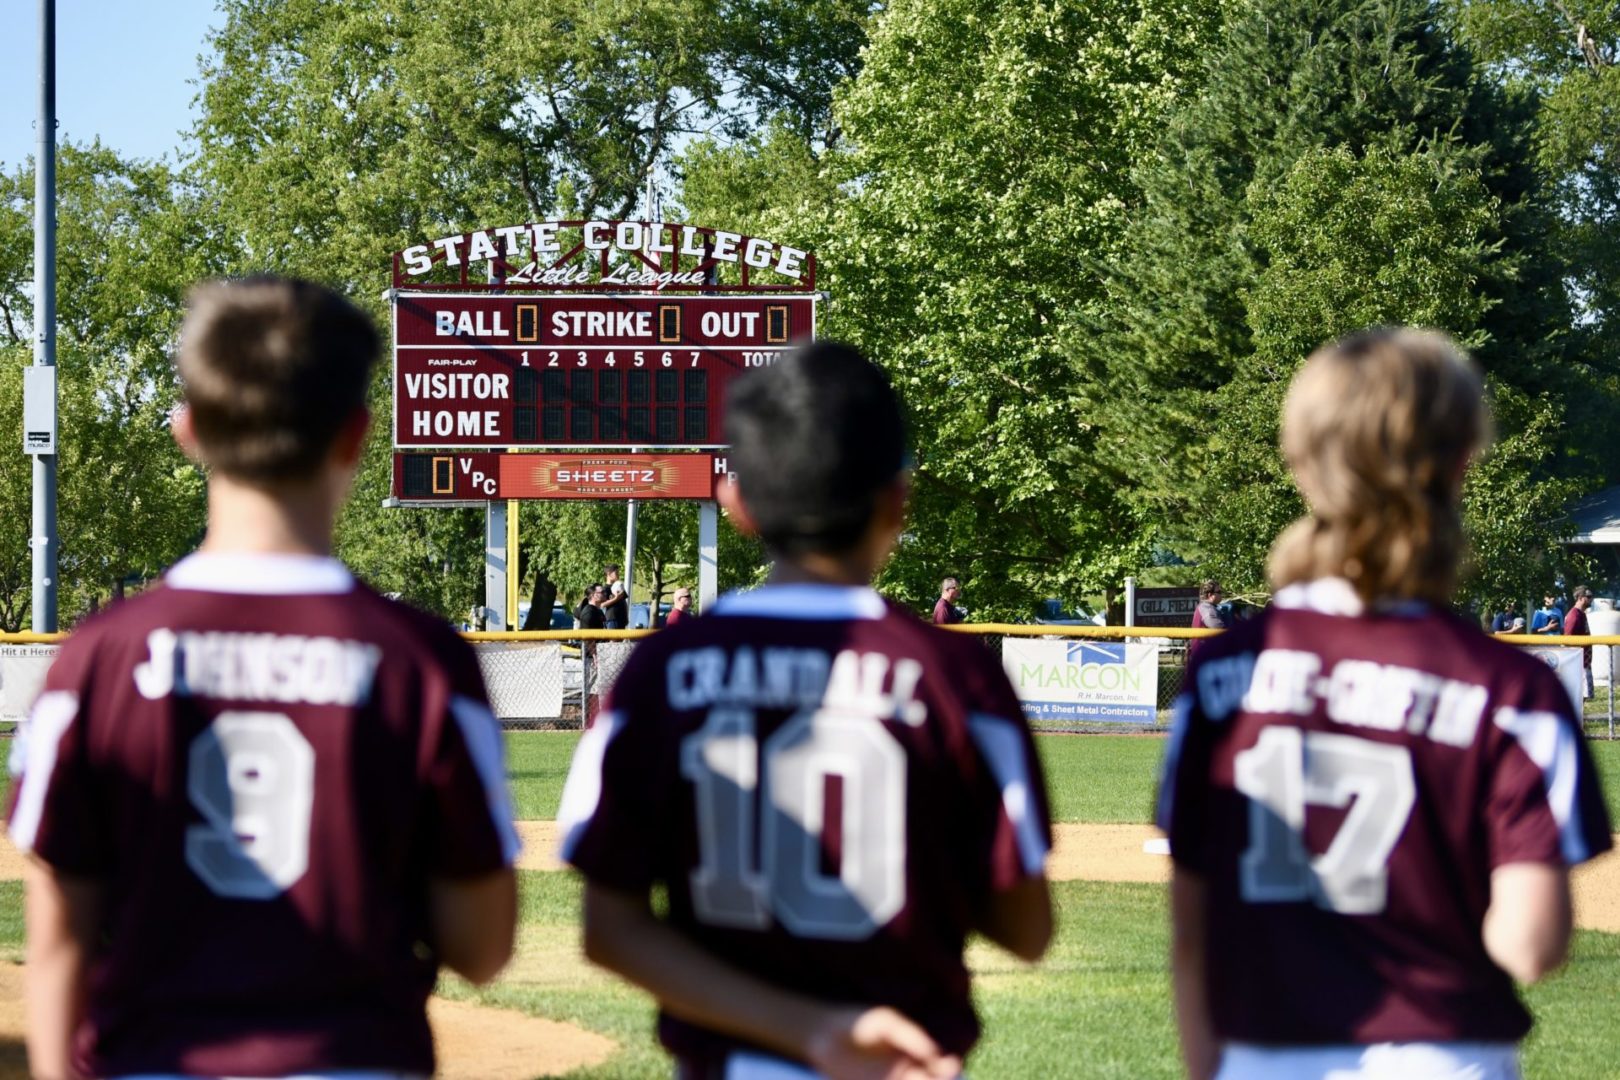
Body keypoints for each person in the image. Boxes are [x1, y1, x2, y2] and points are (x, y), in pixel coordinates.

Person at [7, 277, 520, 1080]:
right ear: (356, 434)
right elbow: (482, 950)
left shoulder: (98, 657)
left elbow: (59, 936)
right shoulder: (422, 662)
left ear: (188, 430)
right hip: (353, 1059)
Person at [558, 341, 1053, 1080]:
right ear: (898, 499)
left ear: (738, 505)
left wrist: (810, 1026)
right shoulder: (957, 676)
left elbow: (610, 930)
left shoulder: (662, 672)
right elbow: (1027, 929)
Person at [1157, 328, 1611, 1080]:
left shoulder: (1218, 675)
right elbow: (1532, 945)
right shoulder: (1514, 692)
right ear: (1464, 460)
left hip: (1262, 1058)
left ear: (1299, 463)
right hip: (1445, 1054)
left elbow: (1192, 931)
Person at [1564, 586, 1595, 699]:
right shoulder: (1574, 615)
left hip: (1584, 661)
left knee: (1585, 696)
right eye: (1589, 597)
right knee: (1580, 696)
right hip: (1578, 662)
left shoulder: (1581, 614)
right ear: (1581, 598)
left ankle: (1581, 717)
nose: (1591, 599)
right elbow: (1567, 639)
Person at [602, 563, 630, 630]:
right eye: (616, 573)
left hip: (621, 618)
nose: (618, 574)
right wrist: (615, 599)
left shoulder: (618, 586)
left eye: (618, 572)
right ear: (609, 574)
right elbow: (602, 604)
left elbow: (624, 602)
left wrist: (626, 617)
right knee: (614, 640)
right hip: (612, 619)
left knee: (620, 639)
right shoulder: (605, 589)